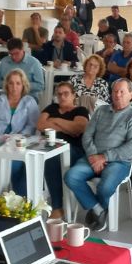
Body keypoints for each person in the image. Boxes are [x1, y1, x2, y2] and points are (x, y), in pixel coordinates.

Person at [65, 78, 132, 231]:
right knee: (71, 176)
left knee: (105, 186)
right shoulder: (101, 111)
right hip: (93, 157)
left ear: (131, 95)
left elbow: (131, 147)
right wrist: (94, 156)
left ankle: (97, 208)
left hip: (119, 161)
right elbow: (87, 136)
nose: (118, 95)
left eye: (122, 92)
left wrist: (105, 157)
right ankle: (98, 209)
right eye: (115, 91)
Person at [0, 69, 40, 196]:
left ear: (23, 85)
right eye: (11, 83)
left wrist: (15, 138)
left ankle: (17, 201)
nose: (14, 87)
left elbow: (32, 126)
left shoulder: (29, 102)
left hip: (17, 145)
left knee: (15, 167)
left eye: (18, 83)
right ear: (6, 85)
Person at [37, 81, 88, 220]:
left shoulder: (80, 110)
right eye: (59, 94)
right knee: (44, 156)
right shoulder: (51, 107)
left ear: (73, 95)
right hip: (50, 147)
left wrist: (55, 121)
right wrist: (67, 127)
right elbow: (41, 125)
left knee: (52, 158)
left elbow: (78, 128)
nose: (62, 97)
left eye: (66, 93)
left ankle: (57, 207)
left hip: (74, 150)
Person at [0, 38, 44, 102]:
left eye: (16, 53)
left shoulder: (34, 63)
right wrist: (8, 84)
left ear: (22, 49)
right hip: (7, 95)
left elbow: (40, 86)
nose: (14, 57)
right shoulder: (4, 61)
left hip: (28, 96)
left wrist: (21, 85)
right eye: (11, 54)